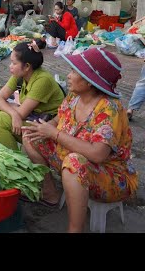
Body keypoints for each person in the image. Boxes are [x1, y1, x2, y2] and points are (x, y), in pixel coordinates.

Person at [21, 48, 138, 233]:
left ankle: (75, 229)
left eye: (74, 72)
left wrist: (54, 134)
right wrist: (45, 128)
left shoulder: (109, 109)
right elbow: (58, 119)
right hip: (71, 156)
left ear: (90, 81)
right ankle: (50, 192)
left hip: (109, 174)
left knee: (74, 163)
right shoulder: (74, 97)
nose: (68, 76)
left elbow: (98, 154)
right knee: (30, 135)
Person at [0, 41, 65, 151]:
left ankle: (13, 160)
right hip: (31, 116)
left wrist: (15, 110)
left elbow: (21, 113)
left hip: (46, 124)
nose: (10, 66)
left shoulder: (42, 80)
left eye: (14, 63)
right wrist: (14, 112)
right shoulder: (19, 74)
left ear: (26, 66)